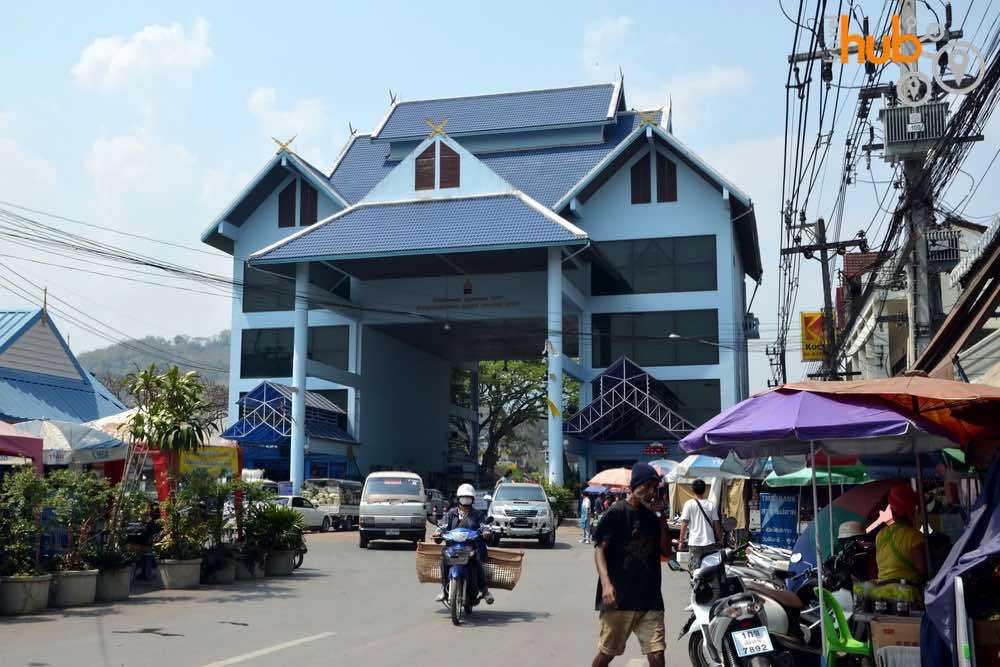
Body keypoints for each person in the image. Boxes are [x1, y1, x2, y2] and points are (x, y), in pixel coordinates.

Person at [591, 462, 672, 667]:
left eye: (654, 487)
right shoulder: (616, 512)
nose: (650, 492)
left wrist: (661, 516)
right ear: (635, 486)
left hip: (650, 598)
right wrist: (606, 584)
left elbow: (665, 551)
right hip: (620, 598)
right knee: (607, 653)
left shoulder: (653, 518)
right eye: (647, 486)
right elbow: (599, 549)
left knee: (657, 654)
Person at [433, 483, 494, 605]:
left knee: (476, 560)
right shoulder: (451, 513)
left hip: (472, 548)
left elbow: (485, 527)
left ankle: (484, 590)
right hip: (453, 548)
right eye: (463, 498)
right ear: (458, 498)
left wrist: (486, 532)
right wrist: (438, 532)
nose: (465, 500)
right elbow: (443, 526)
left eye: (468, 498)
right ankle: (445, 591)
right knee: (443, 560)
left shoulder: (478, 515)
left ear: (472, 499)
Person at [876, 484, 927, 585]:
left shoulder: (880, 534)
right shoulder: (914, 536)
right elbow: (922, 568)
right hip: (907, 592)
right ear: (911, 510)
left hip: (882, 589)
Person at [678, 479, 722, 572]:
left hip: (695, 542)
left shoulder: (688, 504)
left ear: (692, 490)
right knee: (709, 568)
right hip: (709, 542)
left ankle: (695, 585)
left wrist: (681, 541)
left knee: (694, 569)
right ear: (705, 490)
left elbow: (684, 524)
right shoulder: (711, 505)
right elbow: (716, 524)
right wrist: (720, 538)